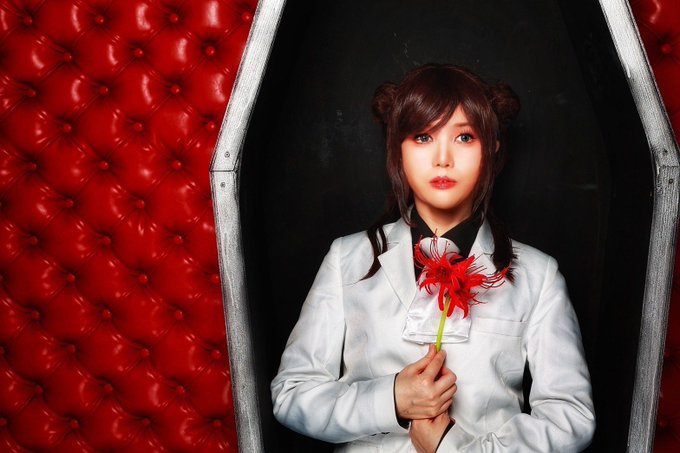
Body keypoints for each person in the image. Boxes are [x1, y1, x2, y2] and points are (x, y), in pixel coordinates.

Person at [271, 63, 595, 452]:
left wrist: (451, 446)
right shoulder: (347, 258)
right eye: (423, 137)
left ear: (491, 147)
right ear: (398, 147)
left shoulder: (538, 275)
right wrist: (390, 400)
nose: (443, 158)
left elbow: (570, 419)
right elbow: (291, 394)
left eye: (464, 137)